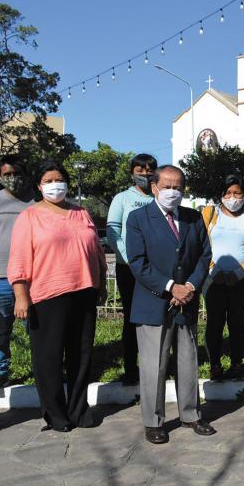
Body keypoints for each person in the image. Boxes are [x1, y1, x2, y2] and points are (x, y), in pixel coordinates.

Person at [7, 161, 106, 431]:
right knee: (48, 358)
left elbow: (96, 249)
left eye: (59, 179)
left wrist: (102, 284)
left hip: (84, 291)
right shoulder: (30, 216)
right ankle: (56, 414)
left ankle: (78, 411)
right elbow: (19, 258)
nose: (55, 184)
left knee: (81, 355)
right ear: (39, 186)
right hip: (47, 295)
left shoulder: (82, 212)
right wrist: (21, 295)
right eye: (48, 180)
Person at [125, 165, 215, 444]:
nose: (172, 192)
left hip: (186, 301)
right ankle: (153, 421)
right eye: (167, 186)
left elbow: (204, 255)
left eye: (178, 187)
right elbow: (137, 262)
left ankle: (191, 414)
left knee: (188, 361)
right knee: (154, 365)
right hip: (154, 301)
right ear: (154, 187)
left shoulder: (193, 217)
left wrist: (188, 286)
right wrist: (169, 286)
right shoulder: (138, 218)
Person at [201, 175, 244, 380]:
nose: (233, 197)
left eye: (237, 193)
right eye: (228, 193)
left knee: (237, 323)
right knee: (214, 323)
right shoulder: (209, 213)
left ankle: (237, 364)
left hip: (241, 280)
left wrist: (239, 273)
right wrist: (213, 270)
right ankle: (215, 365)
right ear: (221, 195)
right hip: (213, 279)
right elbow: (201, 244)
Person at [0, 156, 35, 391]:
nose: (13, 179)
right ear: (0, 176)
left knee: (36, 327)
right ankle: (0, 372)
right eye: (8, 174)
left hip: (32, 277)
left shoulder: (37, 201)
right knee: (0, 329)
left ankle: (42, 368)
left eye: (17, 173)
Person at [106, 153, 158, 385]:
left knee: (156, 317)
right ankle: (130, 368)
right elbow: (113, 233)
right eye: (140, 170)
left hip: (157, 270)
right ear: (132, 173)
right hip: (129, 269)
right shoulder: (122, 199)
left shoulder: (159, 196)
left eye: (149, 170)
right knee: (132, 318)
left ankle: (156, 365)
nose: (145, 174)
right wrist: (131, 260)